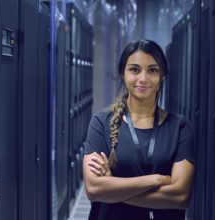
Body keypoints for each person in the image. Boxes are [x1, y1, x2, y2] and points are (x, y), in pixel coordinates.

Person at [83, 39, 196, 220]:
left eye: (152, 70)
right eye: (134, 69)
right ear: (123, 73)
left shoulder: (180, 128)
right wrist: (157, 180)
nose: (143, 78)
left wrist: (113, 190)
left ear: (163, 75)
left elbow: (180, 197)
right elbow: (94, 190)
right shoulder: (101, 124)